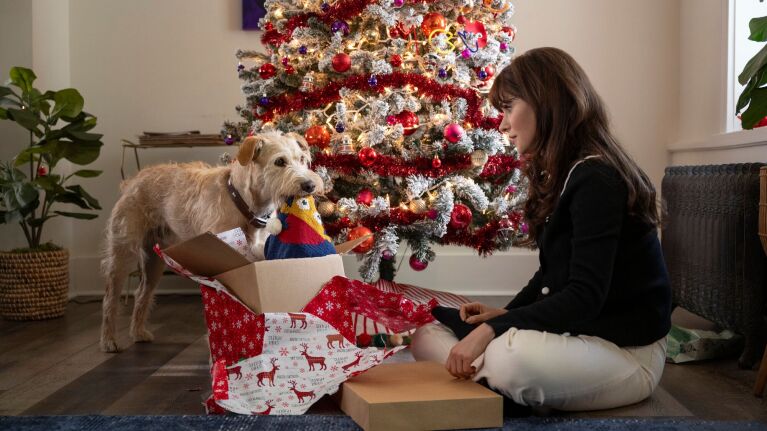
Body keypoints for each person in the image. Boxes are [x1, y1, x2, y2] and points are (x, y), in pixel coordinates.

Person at [411, 47, 672, 412]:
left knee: (509, 358)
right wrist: (503, 316)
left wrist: (492, 332)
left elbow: (584, 295)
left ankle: (490, 380)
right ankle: (490, 383)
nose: (501, 125)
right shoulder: (569, 173)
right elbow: (550, 276)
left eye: (508, 108)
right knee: (426, 330)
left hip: (625, 352)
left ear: (545, 103)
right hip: (581, 334)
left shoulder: (598, 178)